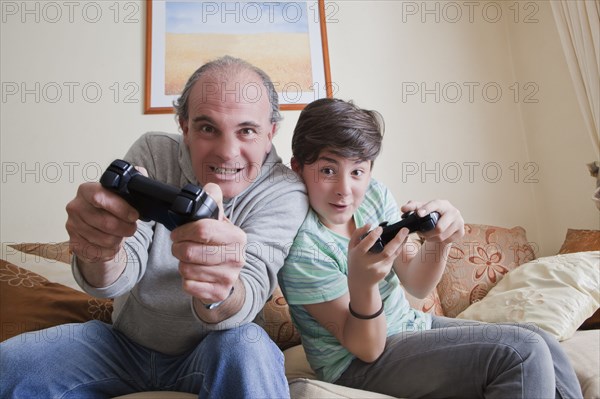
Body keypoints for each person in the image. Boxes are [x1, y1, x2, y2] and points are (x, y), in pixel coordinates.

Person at [0, 56, 308, 398]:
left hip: (217, 349)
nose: (226, 152)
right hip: (123, 346)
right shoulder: (154, 152)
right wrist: (100, 250)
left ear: (271, 132)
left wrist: (220, 289)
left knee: (249, 346)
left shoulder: (284, 190)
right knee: (11, 364)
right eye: (207, 128)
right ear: (185, 127)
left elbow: (250, 288)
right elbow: (116, 275)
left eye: (247, 131)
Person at [279, 98, 583, 398]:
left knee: (541, 340)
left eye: (357, 171)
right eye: (328, 171)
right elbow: (368, 349)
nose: (345, 189)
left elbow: (418, 283)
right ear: (298, 168)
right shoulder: (304, 249)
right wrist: (364, 284)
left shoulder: (373, 195)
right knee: (521, 351)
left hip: (411, 327)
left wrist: (440, 241)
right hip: (355, 363)